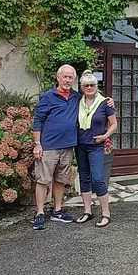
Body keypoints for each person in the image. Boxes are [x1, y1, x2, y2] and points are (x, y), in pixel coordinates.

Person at [30, 64, 113, 230]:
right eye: (65, 76)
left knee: (61, 179)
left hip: (68, 146)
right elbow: (38, 120)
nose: (67, 80)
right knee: (43, 180)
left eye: (70, 77)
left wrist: (109, 100)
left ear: (74, 80)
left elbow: (94, 98)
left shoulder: (77, 97)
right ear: (58, 77)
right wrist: (37, 144)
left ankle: (57, 210)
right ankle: (39, 212)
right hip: (49, 146)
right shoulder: (48, 96)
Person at [74, 70, 117, 228]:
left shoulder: (105, 102)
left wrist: (105, 136)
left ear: (97, 86)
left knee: (98, 179)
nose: (89, 87)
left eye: (92, 85)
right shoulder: (77, 101)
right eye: (86, 85)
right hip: (80, 145)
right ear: (82, 87)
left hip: (96, 146)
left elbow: (114, 124)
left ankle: (106, 213)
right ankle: (87, 211)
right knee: (84, 177)